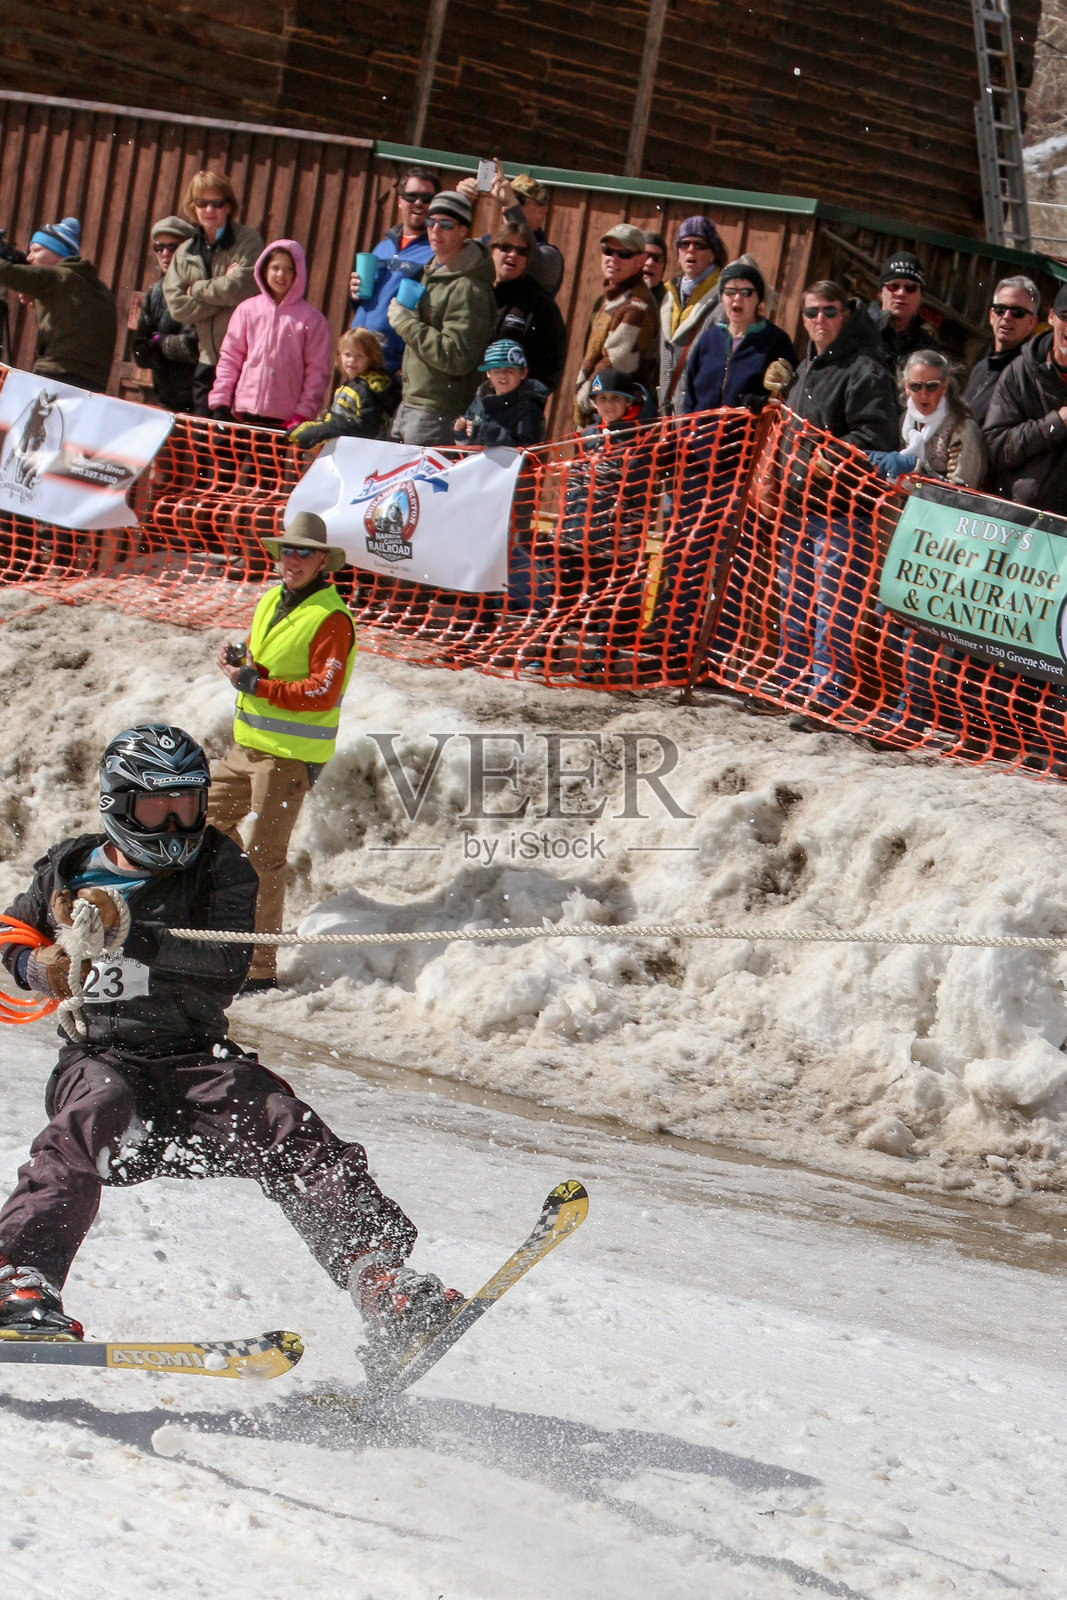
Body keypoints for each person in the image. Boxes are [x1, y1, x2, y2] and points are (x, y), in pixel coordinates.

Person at [0, 723, 461, 1353]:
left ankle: (383, 1283)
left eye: (185, 807)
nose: (173, 828)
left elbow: (226, 961)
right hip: (103, 1056)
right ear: (118, 804)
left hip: (196, 1059)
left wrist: (130, 933)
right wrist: (41, 968)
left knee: (285, 1121)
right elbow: (12, 935)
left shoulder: (222, 865)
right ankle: (18, 1281)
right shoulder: (69, 867)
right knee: (88, 1116)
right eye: (155, 809)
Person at [208, 512, 356, 994]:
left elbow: (323, 692)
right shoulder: (274, 597)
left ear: (322, 562)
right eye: (287, 551)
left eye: (304, 552)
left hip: (289, 757)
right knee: (199, 825)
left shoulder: (332, 618)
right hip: (247, 746)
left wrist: (257, 683)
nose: (292, 560)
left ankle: (257, 967)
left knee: (264, 859)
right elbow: (259, 652)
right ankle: (219, 925)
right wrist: (239, 656)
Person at [779, 281, 899, 711]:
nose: (819, 321)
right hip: (796, 505)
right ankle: (790, 680)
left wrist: (827, 455)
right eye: (811, 313)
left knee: (833, 609)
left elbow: (878, 433)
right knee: (793, 600)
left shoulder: (865, 367)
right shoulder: (810, 364)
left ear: (845, 313)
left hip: (842, 510)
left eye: (828, 312)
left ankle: (827, 693)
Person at [386, 190, 497, 446]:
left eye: (446, 224)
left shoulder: (468, 287)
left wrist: (406, 324)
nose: (435, 230)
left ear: (463, 230)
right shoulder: (433, 271)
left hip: (436, 412)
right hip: (411, 402)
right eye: (430, 222)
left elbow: (456, 355)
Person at [162, 170, 263, 416]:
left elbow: (242, 289)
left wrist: (196, 289)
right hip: (206, 360)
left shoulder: (247, 240)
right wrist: (224, 296)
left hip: (244, 361)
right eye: (202, 203)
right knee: (200, 442)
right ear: (192, 207)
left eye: (216, 203)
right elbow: (177, 307)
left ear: (228, 206)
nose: (209, 210)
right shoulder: (185, 252)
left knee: (233, 444)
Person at [208, 239, 331, 430]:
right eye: (275, 267)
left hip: (283, 419)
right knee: (224, 459)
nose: (281, 274)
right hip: (241, 412)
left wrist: (304, 412)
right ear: (264, 270)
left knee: (267, 461)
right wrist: (221, 401)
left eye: (288, 269)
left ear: (298, 273)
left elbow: (317, 371)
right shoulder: (247, 310)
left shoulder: (311, 320)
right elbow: (230, 358)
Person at [0, 215, 117, 393]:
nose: (29, 258)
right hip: (94, 387)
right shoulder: (95, 286)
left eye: (36, 250)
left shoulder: (57, 277)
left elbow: (5, 272)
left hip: (55, 378)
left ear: (58, 255)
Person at [348, 165, 439, 377]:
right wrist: (354, 294)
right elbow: (368, 302)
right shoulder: (383, 246)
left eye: (426, 198)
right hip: (358, 356)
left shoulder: (435, 252)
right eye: (411, 196)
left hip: (392, 365)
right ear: (400, 201)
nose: (418, 203)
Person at [984, 284, 1067, 515]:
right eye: (1066, 316)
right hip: (1019, 519)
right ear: (1051, 317)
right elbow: (996, 446)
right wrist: (1055, 424)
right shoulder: (1020, 372)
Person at [683, 259, 798, 413]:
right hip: (699, 435)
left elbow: (792, 398)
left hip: (748, 435)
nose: (737, 298)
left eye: (746, 292)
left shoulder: (776, 341)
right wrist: (684, 435)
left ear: (759, 298)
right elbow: (689, 398)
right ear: (722, 297)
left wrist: (764, 401)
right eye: (730, 291)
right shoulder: (709, 338)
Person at [574, 223, 660, 427]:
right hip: (599, 411)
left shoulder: (637, 307)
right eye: (608, 251)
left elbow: (613, 365)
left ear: (640, 261)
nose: (613, 258)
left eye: (623, 254)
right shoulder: (614, 297)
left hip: (621, 420)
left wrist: (581, 402)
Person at [869, 349, 986, 487]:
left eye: (932, 386)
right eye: (915, 386)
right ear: (906, 387)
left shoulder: (963, 428)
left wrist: (915, 469)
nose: (923, 394)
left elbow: (962, 490)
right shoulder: (904, 421)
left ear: (944, 387)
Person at [459, 164, 565, 299]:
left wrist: (511, 205)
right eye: (505, 199)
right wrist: (462, 200)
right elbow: (453, 252)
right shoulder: (488, 242)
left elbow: (534, 258)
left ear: (541, 211)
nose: (505, 204)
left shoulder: (551, 257)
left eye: (518, 201)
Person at [488, 221, 568, 393]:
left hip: (513, 409)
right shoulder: (475, 292)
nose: (513, 254)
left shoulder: (539, 305)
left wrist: (527, 401)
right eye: (505, 247)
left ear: (526, 262)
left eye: (521, 251)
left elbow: (552, 364)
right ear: (492, 251)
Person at [289, 328, 400, 449]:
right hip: (345, 451)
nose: (352, 361)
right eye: (347, 355)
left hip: (363, 453)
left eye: (359, 356)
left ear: (371, 358)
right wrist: (314, 428)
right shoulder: (352, 385)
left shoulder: (367, 390)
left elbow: (365, 429)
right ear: (340, 355)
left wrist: (322, 431)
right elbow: (336, 417)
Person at [131, 216, 199, 413]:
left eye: (172, 247)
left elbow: (192, 347)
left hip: (197, 403)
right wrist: (150, 346)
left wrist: (158, 343)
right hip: (164, 400)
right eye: (159, 248)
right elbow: (140, 351)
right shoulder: (155, 292)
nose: (165, 254)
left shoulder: (198, 289)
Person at [658, 216, 725, 415]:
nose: (690, 250)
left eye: (700, 244)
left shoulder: (724, 298)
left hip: (698, 414)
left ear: (713, 253)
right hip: (666, 414)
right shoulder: (668, 295)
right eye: (684, 244)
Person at [962, 276, 1040, 427]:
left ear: (1032, 322)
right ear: (991, 316)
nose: (1006, 317)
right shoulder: (981, 367)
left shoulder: (1028, 376)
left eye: (1017, 312)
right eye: (1000, 310)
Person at [453, 338, 548, 447]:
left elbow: (527, 448)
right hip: (477, 462)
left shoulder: (528, 406)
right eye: (496, 370)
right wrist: (460, 431)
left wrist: (489, 433)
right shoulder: (481, 399)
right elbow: (465, 442)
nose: (502, 375)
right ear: (488, 373)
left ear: (523, 373)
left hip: (508, 463)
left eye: (509, 370)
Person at [868, 250, 940, 369]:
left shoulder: (928, 348)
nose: (901, 293)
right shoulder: (859, 332)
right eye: (893, 286)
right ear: (880, 293)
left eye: (910, 287)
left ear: (920, 296)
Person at [642, 232, 668, 307]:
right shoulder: (615, 297)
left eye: (658, 259)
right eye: (645, 256)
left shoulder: (671, 305)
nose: (650, 263)